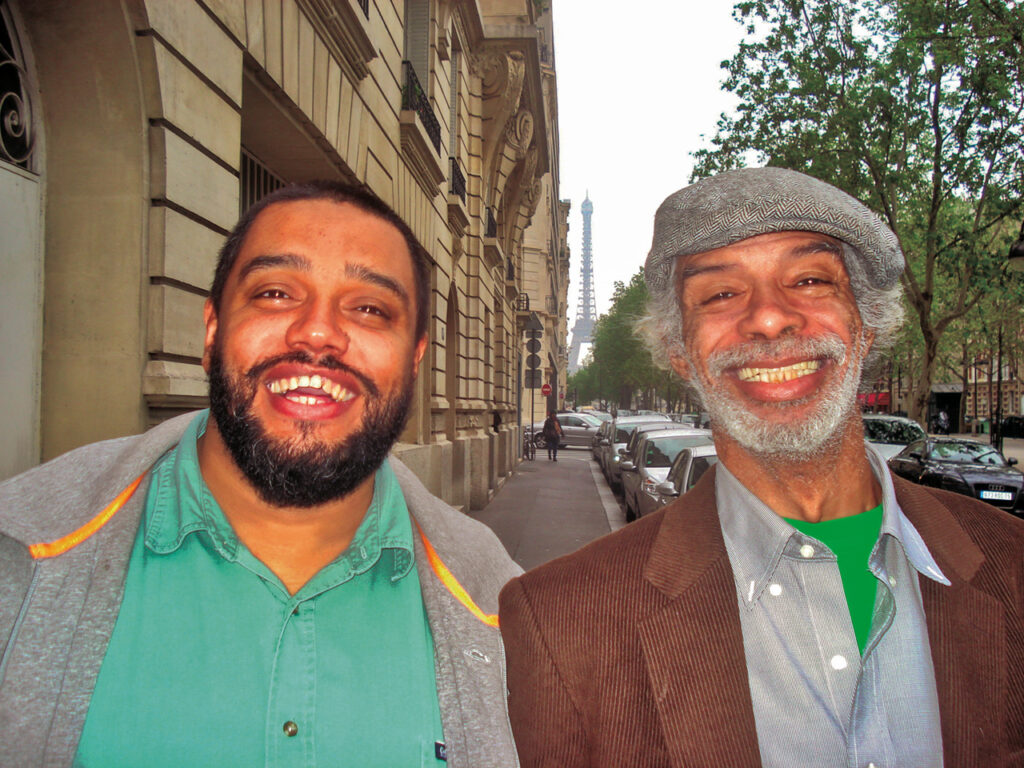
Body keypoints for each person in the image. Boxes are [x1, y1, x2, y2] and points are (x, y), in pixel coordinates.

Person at [499, 167, 1024, 766]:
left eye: (808, 279)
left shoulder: (1014, 569)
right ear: (677, 349)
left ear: (867, 323)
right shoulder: (562, 623)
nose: (770, 317)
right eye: (721, 294)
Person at [0, 181, 521, 767]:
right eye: (275, 293)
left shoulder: (508, 612)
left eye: (370, 308)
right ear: (213, 330)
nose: (318, 332)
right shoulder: (17, 556)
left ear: (415, 358)